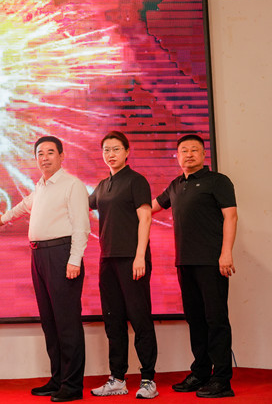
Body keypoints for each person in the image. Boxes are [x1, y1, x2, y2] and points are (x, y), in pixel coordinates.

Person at [0, 136, 90, 402]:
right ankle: (58, 378)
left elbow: (81, 226)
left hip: (62, 255)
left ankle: (72, 385)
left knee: (67, 322)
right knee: (50, 322)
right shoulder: (41, 186)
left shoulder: (72, 185)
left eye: (50, 152)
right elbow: (24, 206)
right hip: (39, 256)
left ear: (62, 156)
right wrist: (3, 218)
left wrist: (74, 260)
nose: (45, 158)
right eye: (40, 153)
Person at [152, 134, 238, 398]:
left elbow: (231, 217)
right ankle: (201, 373)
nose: (188, 154)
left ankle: (222, 380)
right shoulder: (176, 185)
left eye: (194, 150)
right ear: (177, 156)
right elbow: (151, 207)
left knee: (216, 320)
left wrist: (226, 253)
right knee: (196, 320)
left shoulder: (218, 181)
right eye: (184, 150)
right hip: (185, 263)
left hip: (212, 261)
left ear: (203, 154)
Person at [88, 131, 158, 399]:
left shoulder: (136, 181)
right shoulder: (103, 185)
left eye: (116, 149)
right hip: (107, 260)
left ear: (127, 152)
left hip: (132, 259)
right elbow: (82, 205)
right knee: (113, 320)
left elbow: (146, 219)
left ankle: (148, 379)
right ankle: (117, 378)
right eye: (106, 149)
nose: (111, 154)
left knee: (140, 319)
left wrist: (140, 256)